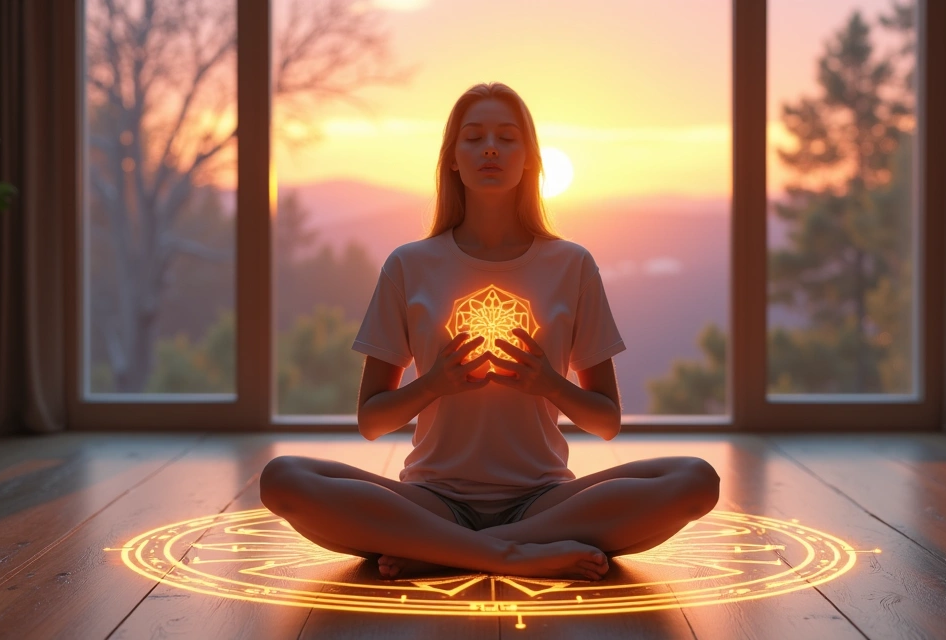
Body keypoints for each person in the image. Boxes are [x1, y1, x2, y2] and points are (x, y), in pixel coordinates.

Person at [260, 82, 720, 582]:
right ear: (453, 159)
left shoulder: (572, 265)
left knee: (695, 479)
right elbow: (372, 421)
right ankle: (510, 555)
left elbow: (606, 421)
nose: (491, 149)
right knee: (283, 478)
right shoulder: (409, 265)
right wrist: (434, 384)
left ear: (530, 159)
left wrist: (549, 383)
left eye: (507, 137)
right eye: (474, 137)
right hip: (430, 500)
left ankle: (443, 552)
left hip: (546, 502)